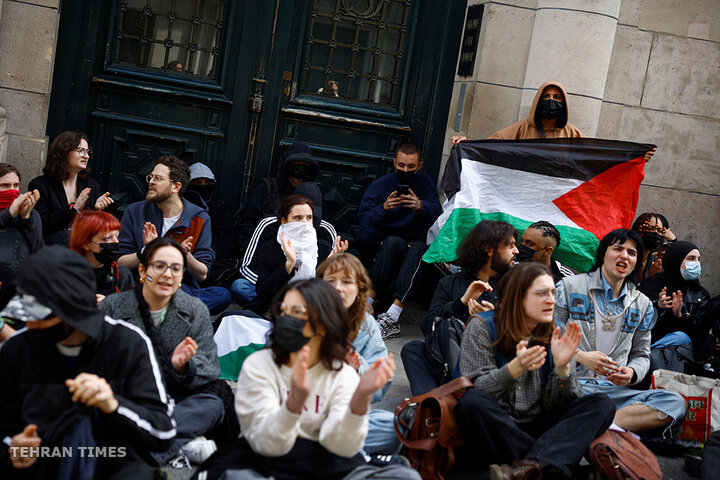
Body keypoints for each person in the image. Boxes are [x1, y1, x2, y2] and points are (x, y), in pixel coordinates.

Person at [194, 278, 417, 479]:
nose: (292, 319)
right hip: (267, 465)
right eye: (286, 311)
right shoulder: (260, 366)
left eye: (302, 312)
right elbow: (265, 444)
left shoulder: (342, 372)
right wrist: (294, 404)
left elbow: (342, 446)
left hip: (326, 463)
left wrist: (360, 399)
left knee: (404, 476)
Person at [0, 246, 176, 479]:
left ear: (71, 314)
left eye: (39, 317)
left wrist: (112, 404)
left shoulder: (127, 344)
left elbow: (163, 433)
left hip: (115, 463)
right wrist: (13, 445)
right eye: (25, 317)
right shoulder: (17, 348)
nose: (30, 326)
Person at [454, 262, 616, 479]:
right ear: (518, 297)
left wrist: (562, 369)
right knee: (472, 402)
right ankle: (547, 465)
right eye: (542, 294)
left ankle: (526, 469)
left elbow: (568, 401)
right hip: (498, 428)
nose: (551, 300)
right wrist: (515, 368)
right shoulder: (482, 326)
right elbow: (477, 389)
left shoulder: (554, 331)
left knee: (601, 404)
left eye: (553, 292)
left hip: (538, 424)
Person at [100, 237, 230, 466]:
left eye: (176, 268)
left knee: (214, 402)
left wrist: (182, 366)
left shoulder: (195, 310)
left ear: (182, 276)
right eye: (159, 266)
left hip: (180, 395)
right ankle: (177, 444)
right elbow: (93, 356)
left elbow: (210, 366)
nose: (167, 274)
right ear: (142, 269)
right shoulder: (112, 306)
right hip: (129, 393)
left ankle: (143, 445)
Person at [554, 229, 687, 432]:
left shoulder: (642, 304)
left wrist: (633, 372)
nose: (624, 256)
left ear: (636, 262)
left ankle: (592, 425)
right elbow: (544, 336)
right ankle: (609, 426)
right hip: (571, 385)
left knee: (674, 403)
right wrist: (580, 356)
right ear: (603, 254)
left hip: (614, 393)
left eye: (632, 253)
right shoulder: (568, 287)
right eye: (617, 249)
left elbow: (642, 354)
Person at [402, 220, 518, 395]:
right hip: (452, 357)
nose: (516, 251)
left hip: (495, 361)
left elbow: (527, 330)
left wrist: (492, 320)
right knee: (413, 349)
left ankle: (450, 396)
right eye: (510, 246)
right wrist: (460, 303)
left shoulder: (515, 284)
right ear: (489, 249)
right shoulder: (450, 283)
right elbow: (429, 327)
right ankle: (431, 403)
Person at [117, 155, 231, 314]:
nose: (151, 182)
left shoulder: (199, 218)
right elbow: (120, 263)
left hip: (181, 287)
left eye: (158, 178)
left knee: (223, 295)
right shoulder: (135, 212)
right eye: (151, 177)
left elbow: (202, 274)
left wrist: (185, 255)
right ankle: (179, 311)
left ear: (176, 187)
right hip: (144, 283)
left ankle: (169, 308)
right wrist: (148, 249)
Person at [317, 253, 399, 455]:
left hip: (348, 415)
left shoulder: (367, 325)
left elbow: (379, 389)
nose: (338, 288)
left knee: (394, 427)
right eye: (330, 282)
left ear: (359, 289)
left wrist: (357, 365)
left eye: (346, 282)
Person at [356, 142, 442, 333]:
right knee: (389, 242)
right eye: (401, 165)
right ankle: (366, 306)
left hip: (412, 248)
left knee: (408, 246)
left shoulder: (425, 184)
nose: (405, 170)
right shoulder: (381, 185)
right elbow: (363, 218)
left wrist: (421, 206)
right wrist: (383, 208)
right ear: (394, 163)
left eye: (411, 167)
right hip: (384, 246)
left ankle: (387, 314)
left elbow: (439, 213)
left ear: (419, 166)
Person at [451, 81, 655, 159]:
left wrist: (633, 158)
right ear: (538, 101)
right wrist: (466, 144)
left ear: (564, 103)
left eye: (557, 98)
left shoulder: (572, 134)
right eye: (546, 97)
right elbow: (489, 146)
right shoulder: (521, 129)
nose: (551, 101)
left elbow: (599, 156)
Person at [244, 194, 346, 316]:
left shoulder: (323, 248)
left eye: (309, 218)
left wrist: (328, 267)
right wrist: (288, 265)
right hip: (272, 311)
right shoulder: (269, 249)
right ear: (284, 221)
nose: (305, 223)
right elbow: (264, 293)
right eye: (298, 218)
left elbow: (328, 293)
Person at [233, 142, 321, 253]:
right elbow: (243, 223)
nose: (299, 170)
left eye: (304, 166)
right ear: (287, 166)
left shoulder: (313, 193)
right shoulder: (268, 188)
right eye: (295, 165)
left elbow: (322, 227)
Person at [28, 131, 113, 245]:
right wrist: (73, 210)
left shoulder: (91, 185)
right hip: (52, 245)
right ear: (64, 152)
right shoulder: (40, 185)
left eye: (87, 152)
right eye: (81, 151)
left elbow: (94, 227)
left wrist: (97, 210)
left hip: (84, 245)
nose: (86, 156)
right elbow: (41, 225)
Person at [640, 241, 711, 348]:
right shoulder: (649, 286)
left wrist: (680, 316)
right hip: (645, 350)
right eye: (691, 258)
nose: (696, 263)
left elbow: (700, 336)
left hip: (680, 357)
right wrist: (657, 307)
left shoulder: (700, 294)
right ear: (675, 260)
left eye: (698, 259)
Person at [69, 210, 134, 303]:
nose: (116, 242)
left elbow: (130, 312)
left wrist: (109, 307)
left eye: (117, 237)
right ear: (85, 243)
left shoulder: (122, 275)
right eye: (107, 238)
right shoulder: (67, 275)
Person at [0, 163, 43, 290]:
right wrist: (8, 214)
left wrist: (26, 218)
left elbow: (39, 251)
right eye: (5, 185)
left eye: (16, 185)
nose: (12, 190)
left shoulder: (32, 214)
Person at [185, 162, 236, 262]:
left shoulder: (221, 213)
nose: (203, 186)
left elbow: (224, 243)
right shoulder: (177, 207)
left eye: (207, 183)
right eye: (197, 183)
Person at [631, 212, 676, 282]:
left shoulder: (655, 263)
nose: (655, 233)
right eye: (650, 228)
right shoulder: (627, 257)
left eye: (659, 231)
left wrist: (674, 240)